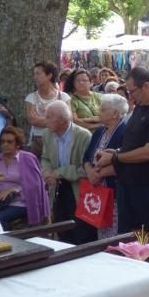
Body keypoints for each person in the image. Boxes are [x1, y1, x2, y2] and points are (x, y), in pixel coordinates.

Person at [94, 67, 149, 272]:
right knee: (132, 234)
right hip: (129, 183)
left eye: (133, 91)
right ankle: (137, 275)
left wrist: (115, 156)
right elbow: (133, 145)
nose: (131, 96)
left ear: (147, 86)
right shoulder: (139, 108)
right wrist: (115, 151)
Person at [40, 100, 95, 244]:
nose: (45, 121)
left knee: (82, 230)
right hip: (57, 188)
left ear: (62, 120)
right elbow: (45, 158)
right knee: (61, 227)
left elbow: (86, 169)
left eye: (48, 117)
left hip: (79, 189)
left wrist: (58, 173)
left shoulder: (84, 136)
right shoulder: (47, 134)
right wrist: (46, 173)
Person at [82, 93, 128, 240]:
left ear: (115, 113)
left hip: (114, 192)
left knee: (114, 235)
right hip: (97, 192)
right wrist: (90, 172)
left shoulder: (125, 131)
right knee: (100, 232)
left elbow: (126, 162)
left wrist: (100, 174)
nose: (98, 113)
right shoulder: (100, 130)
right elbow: (86, 157)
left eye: (102, 110)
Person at [0, 126, 49, 229]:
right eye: (2, 141)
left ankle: (8, 243)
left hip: (21, 202)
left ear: (18, 144)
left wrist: (14, 190)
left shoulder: (28, 158)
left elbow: (36, 185)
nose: (5, 144)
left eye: (9, 142)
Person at [25, 61, 70, 158]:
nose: (35, 77)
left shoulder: (64, 97)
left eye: (38, 73)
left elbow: (68, 119)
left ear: (49, 76)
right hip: (38, 141)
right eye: (34, 74)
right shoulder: (31, 98)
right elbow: (32, 119)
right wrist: (57, 120)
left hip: (60, 139)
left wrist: (42, 120)